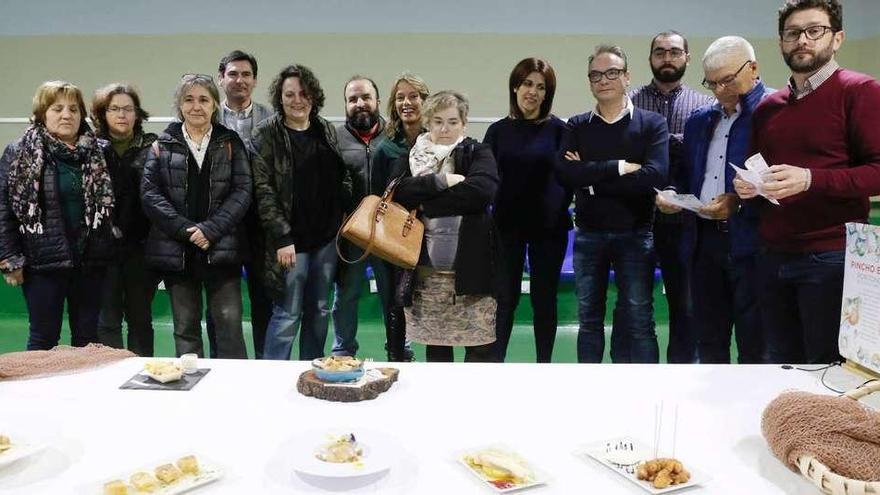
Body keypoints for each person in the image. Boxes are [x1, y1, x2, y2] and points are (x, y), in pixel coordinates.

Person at [734, 0, 880, 364]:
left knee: (827, 368)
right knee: (781, 364)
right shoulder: (769, 107)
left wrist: (811, 179)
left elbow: (877, 171)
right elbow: (761, 170)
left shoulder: (860, 91)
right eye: (792, 33)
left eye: (814, 31)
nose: (802, 40)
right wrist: (750, 188)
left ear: (837, 38)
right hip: (771, 255)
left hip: (831, 257)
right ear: (781, 41)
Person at [659, 36, 772, 364]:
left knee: (756, 343)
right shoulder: (700, 120)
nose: (720, 90)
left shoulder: (774, 112)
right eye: (712, 82)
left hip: (753, 245)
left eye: (728, 80)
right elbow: (688, 174)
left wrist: (737, 202)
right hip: (703, 242)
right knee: (708, 339)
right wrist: (674, 195)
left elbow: (781, 181)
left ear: (753, 69)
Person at [556, 45, 668, 364]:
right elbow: (565, 173)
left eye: (612, 73)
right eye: (596, 74)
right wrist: (619, 167)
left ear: (627, 77)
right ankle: (591, 392)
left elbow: (654, 175)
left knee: (639, 320)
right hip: (589, 235)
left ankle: (646, 392)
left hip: (636, 234)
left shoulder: (651, 124)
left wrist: (590, 178)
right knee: (588, 321)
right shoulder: (577, 126)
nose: (603, 79)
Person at [141, 74, 251, 359]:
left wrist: (210, 231)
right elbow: (150, 195)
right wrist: (187, 231)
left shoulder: (231, 142)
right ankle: (191, 393)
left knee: (228, 326)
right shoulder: (162, 145)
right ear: (179, 105)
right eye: (188, 100)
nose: (196, 106)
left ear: (215, 104)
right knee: (185, 328)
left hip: (222, 251)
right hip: (179, 254)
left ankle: (231, 392)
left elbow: (242, 191)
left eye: (204, 99)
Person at [0, 80, 115, 350]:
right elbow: (3, 210)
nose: (67, 115)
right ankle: (38, 393)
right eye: (57, 108)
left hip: (90, 261)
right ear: (42, 114)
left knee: (88, 339)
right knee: (43, 337)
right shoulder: (19, 151)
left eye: (74, 109)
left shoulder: (101, 151)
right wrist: (9, 258)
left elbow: (114, 208)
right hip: (41, 262)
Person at [252, 64, 351, 361]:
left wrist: (344, 214)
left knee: (320, 310)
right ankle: (272, 375)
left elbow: (341, 175)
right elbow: (263, 190)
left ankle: (312, 368)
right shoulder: (265, 133)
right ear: (279, 98)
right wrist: (282, 237)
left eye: (303, 93)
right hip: (290, 243)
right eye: (289, 94)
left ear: (313, 96)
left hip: (326, 240)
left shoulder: (325, 129)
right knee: (287, 313)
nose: (297, 100)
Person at [391, 90, 499, 362]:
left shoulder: (478, 151)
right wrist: (442, 181)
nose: (445, 128)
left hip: (472, 270)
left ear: (464, 123)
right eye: (438, 121)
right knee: (437, 349)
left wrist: (427, 204)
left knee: (479, 349)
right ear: (427, 122)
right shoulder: (412, 155)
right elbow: (398, 191)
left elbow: (482, 191)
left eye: (452, 121)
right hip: (428, 274)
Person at [630, 31, 714, 364]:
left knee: (687, 306)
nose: (667, 58)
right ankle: (641, 374)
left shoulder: (704, 107)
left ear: (687, 58)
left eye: (674, 52)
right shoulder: (630, 103)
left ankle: (683, 375)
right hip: (638, 221)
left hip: (685, 223)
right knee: (636, 306)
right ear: (650, 58)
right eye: (660, 52)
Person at [484, 58, 570, 363]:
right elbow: (485, 179)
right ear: (515, 87)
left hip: (550, 230)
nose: (532, 92)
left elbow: (571, 177)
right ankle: (496, 364)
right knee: (504, 300)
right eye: (527, 84)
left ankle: (543, 365)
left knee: (544, 300)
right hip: (506, 228)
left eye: (540, 86)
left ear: (547, 94)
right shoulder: (496, 132)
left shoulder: (562, 130)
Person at [91, 83, 159, 357]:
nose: (122, 114)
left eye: (128, 109)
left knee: (141, 321)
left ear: (137, 114)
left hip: (141, 249)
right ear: (102, 113)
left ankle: (144, 380)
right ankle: (109, 379)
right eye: (114, 108)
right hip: (101, 250)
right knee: (107, 321)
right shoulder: (90, 149)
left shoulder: (154, 146)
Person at [217, 49, 274, 359]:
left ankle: (266, 366)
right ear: (221, 78)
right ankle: (223, 365)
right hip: (220, 224)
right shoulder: (208, 117)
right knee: (222, 305)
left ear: (255, 81)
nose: (239, 80)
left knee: (264, 300)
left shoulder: (272, 119)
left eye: (246, 75)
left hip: (260, 224)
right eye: (233, 74)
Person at [331, 75, 393, 358]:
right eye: (353, 99)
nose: (360, 104)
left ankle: (399, 347)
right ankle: (343, 352)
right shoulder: (334, 138)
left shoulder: (394, 135)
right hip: (350, 233)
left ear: (377, 101)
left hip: (389, 233)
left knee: (392, 296)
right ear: (345, 105)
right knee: (345, 296)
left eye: (366, 97)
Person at [372, 72, 430, 361]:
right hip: (392, 240)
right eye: (400, 97)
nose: (407, 102)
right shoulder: (385, 148)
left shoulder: (436, 143)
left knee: (427, 301)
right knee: (393, 304)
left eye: (413, 96)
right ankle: (396, 357)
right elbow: (375, 197)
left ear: (424, 100)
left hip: (429, 237)